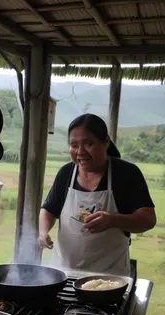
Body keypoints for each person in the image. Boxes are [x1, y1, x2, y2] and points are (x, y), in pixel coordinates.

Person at [38, 114, 156, 275]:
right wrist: (43, 232)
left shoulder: (126, 174)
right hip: (63, 274)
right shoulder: (66, 173)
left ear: (105, 142)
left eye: (89, 143)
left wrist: (113, 220)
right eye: (74, 145)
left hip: (109, 280)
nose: (80, 152)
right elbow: (49, 209)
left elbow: (148, 219)